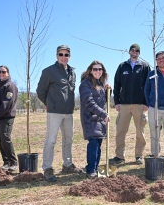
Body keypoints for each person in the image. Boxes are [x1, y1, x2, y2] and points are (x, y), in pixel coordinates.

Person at [36, 45, 83, 182]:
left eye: (66, 55)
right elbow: (40, 91)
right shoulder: (49, 71)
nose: (64, 57)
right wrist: (50, 103)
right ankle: (47, 168)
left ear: (70, 56)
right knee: (51, 140)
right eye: (61, 54)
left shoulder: (72, 72)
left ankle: (67, 165)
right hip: (54, 112)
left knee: (68, 139)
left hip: (69, 112)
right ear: (57, 56)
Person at [110, 43, 151, 165]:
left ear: (139, 53)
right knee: (121, 131)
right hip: (124, 104)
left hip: (140, 105)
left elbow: (148, 86)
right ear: (129, 52)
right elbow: (117, 85)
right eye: (133, 50)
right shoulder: (122, 66)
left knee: (140, 132)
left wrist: (146, 103)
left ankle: (139, 156)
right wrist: (117, 102)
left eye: (137, 50)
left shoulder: (145, 66)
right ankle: (119, 157)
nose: (135, 52)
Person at [79, 61, 111, 178]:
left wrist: (108, 91)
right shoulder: (85, 84)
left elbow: (102, 102)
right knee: (93, 144)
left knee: (98, 143)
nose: (98, 71)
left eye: (100, 69)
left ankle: (96, 168)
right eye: (95, 69)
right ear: (90, 71)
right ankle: (91, 170)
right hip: (90, 119)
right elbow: (89, 102)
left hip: (99, 119)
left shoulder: (100, 84)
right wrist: (103, 114)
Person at [0, 65, 18, 172]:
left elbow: (7, 104)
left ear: (8, 73)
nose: (1, 74)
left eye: (4, 72)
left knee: (5, 138)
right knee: (0, 139)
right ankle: (6, 162)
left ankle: (13, 162)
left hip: (6, 116)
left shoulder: (10, 86)